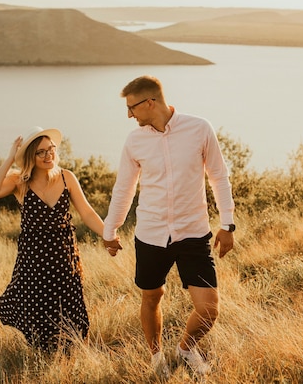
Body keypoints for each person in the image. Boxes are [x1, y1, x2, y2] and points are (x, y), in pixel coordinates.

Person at [102, 75, 235, 378]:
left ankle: (186, 349)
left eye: (132, 107)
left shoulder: (199, 128)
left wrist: (228, 223)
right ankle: (155, 356)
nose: (129, 115)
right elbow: (123, 188)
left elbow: (219, 177)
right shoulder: (134, 140)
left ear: (150, 102)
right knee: (152, 296)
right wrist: (110, 231)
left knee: (209, 308)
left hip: (193, 233)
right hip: (150, 233)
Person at [0, 126, 108, 351]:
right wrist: (11, 157)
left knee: (70, 308)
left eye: (51, 149)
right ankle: (45, 356)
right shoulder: (19, 181)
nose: (49, 155)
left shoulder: (66, 177)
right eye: (41, 152)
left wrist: (108, 235)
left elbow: (87, 213)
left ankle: (73, 356)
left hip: (64, 256)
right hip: (34, 260)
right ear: (31, 156)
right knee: (38, 310)